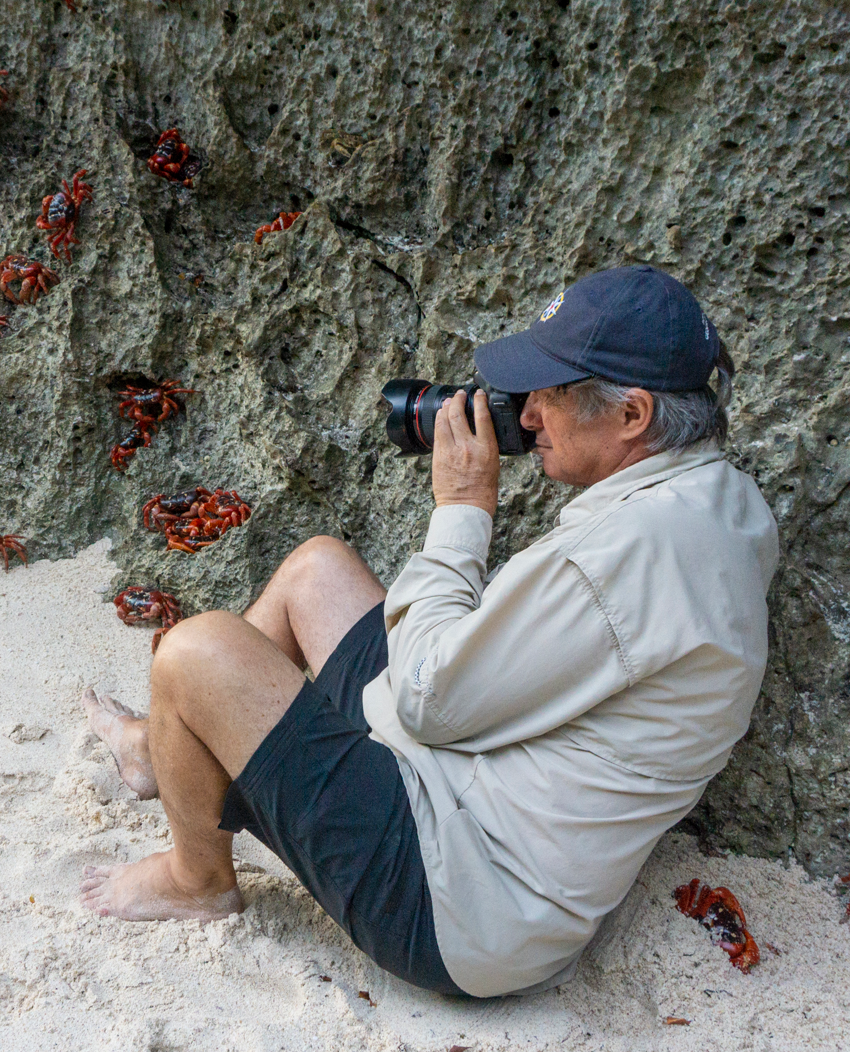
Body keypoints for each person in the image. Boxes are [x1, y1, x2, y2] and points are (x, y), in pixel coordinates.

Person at [78, 265, 779, 998]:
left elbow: (423, 700)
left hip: (458, 904)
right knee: (318, 572)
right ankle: (162, 750)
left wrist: (464, 506)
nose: (529, 414)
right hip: (474, 799)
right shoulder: (717, 500)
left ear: (632, 415)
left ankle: (198, 880)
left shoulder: (622, 562)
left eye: (553, 393)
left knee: (195, 652)